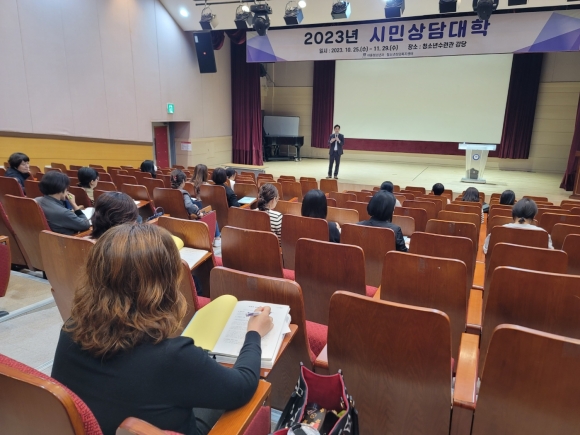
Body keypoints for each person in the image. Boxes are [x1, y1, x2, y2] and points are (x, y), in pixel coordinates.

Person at [51, 224, 273, 435]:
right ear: (164, 285)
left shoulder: (71, 329)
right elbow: (243, 386)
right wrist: (253, 334)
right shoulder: (173, 358)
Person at [483, 198, 553, 254]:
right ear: (533, 216)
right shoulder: (544, 234)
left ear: (513, 213)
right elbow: (550, 255)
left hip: (500, 266)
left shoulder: (498, 230)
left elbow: (486, 250)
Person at [35, 171, 91, 235]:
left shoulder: (36, 200)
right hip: (68, 239)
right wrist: (74, 204)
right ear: (62, 188)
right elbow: (85, 225)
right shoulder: (63, 212)